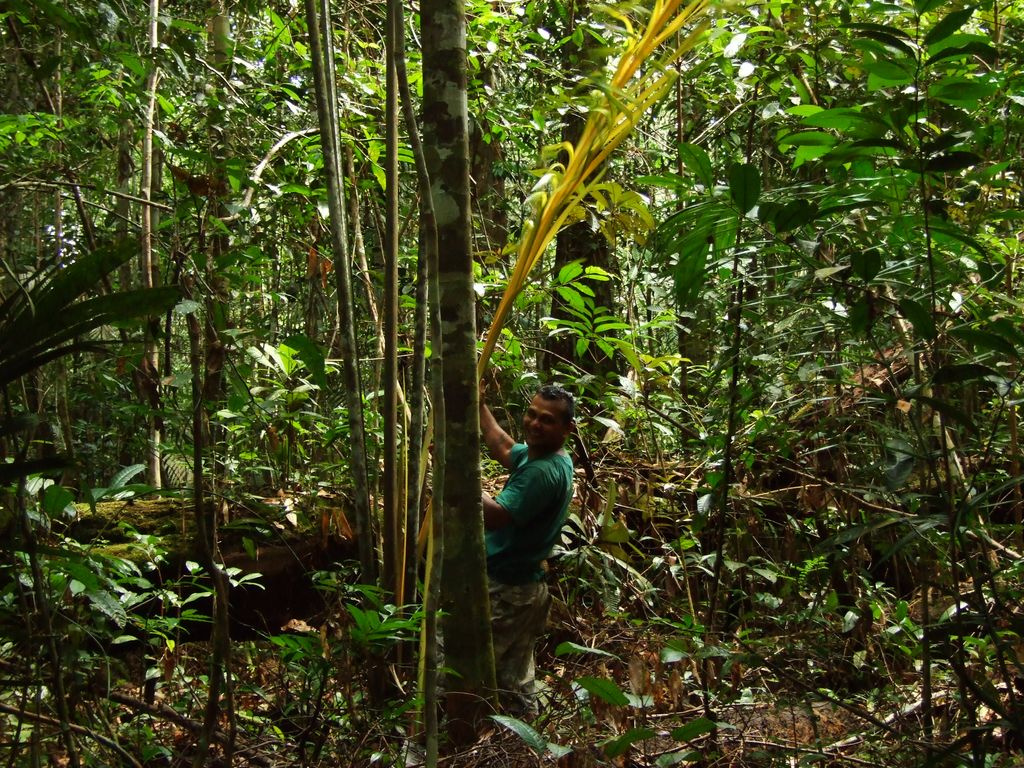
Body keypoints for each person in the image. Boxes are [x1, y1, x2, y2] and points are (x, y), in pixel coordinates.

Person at [479, 383, 575, 716]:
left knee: (464, 664)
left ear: (566, 429)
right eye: (531, 414)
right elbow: (504, 447)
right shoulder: (548, 457)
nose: (535, 424)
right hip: (525, 588)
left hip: (506, 591)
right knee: (514, 681)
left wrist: (461, 475)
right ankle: (524, 749)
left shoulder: (541, 472)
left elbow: (497, 517)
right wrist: (479, 406)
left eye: (546, 420)